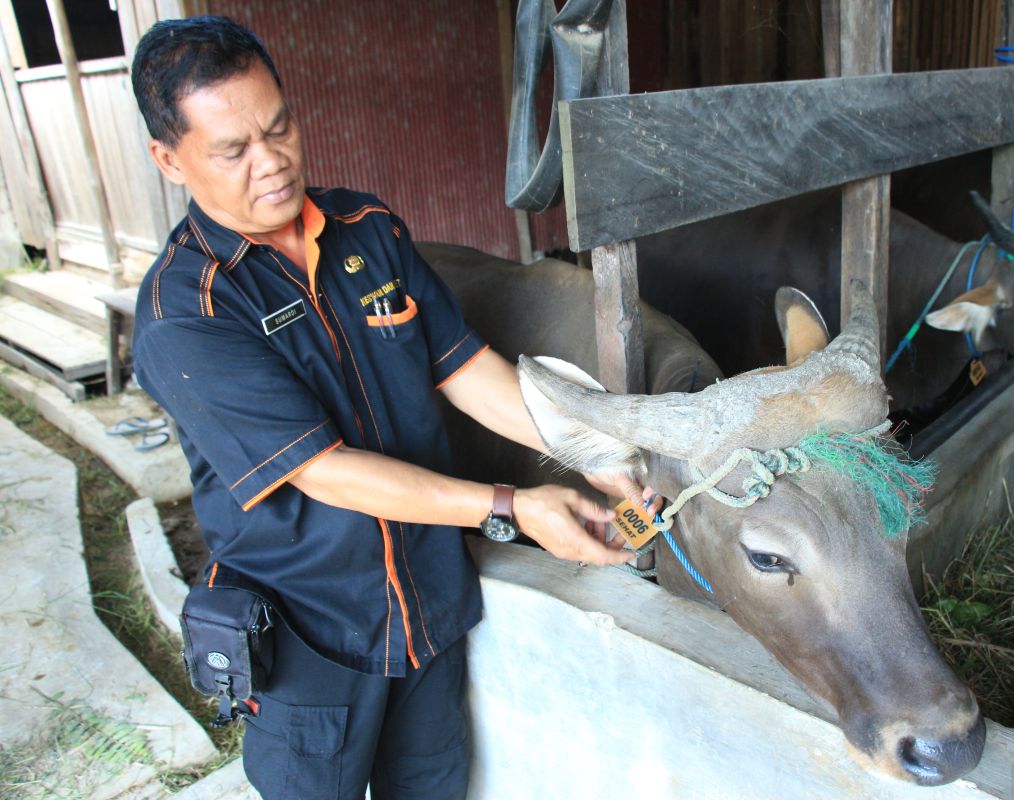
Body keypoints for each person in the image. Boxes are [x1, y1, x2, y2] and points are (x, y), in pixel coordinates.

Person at [130, 16, 645, 799]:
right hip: (310, 637)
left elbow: (465, 367)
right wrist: (511, 505)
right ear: (169, 158)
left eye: (280, 128)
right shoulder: (187, 312)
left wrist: (598, 454)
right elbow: (325, 473)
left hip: (427, 610)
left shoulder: (365, 229)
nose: (272, 163)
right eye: (233, 151)